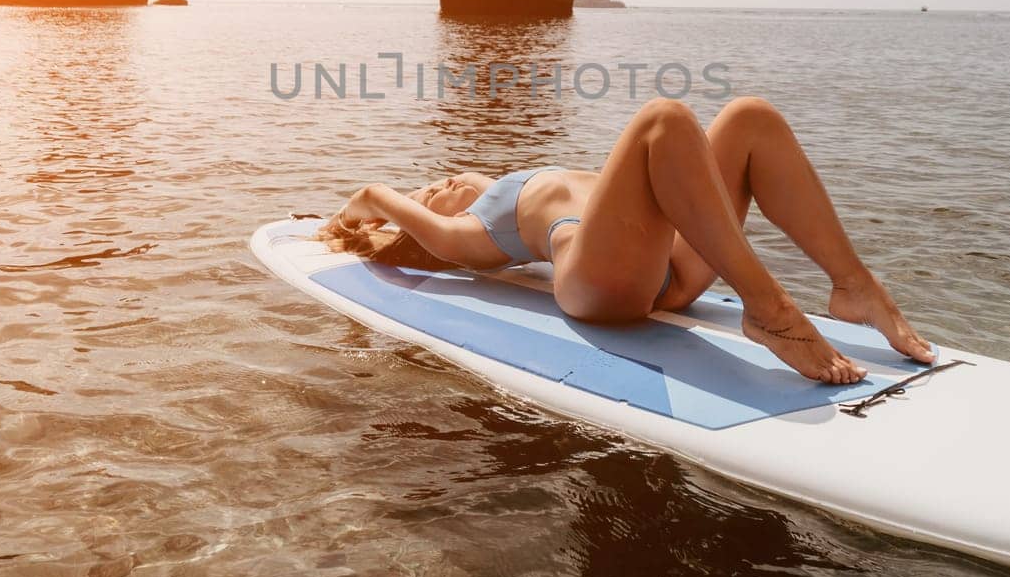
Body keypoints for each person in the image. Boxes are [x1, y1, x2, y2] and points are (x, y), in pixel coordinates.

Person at [318, 96, 933, 385]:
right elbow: (375, 193)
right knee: (663, 119)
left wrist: (465, 181)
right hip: (600, 284)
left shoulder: (499, 184)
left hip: (671, 265)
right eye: (427, 193)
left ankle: (854, 285)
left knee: (752, 118)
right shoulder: (468, 235)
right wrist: (363, 212)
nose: (440, 184)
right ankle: (770, 310)